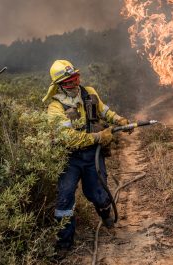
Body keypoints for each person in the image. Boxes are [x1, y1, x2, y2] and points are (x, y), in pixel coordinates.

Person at [43, 60, 129, 250]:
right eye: (68, 82)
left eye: (75, 78)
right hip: (69, 159)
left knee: (97, 194)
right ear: (59, 86)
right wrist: (99, 136)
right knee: (65, 199)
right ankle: (64, 244)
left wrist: (118, 120)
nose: (74, 83)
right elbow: (69, 139)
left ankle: (105, 214)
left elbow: (104, 110)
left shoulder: (89, 92)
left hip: (92, 156)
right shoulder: (55, 108)